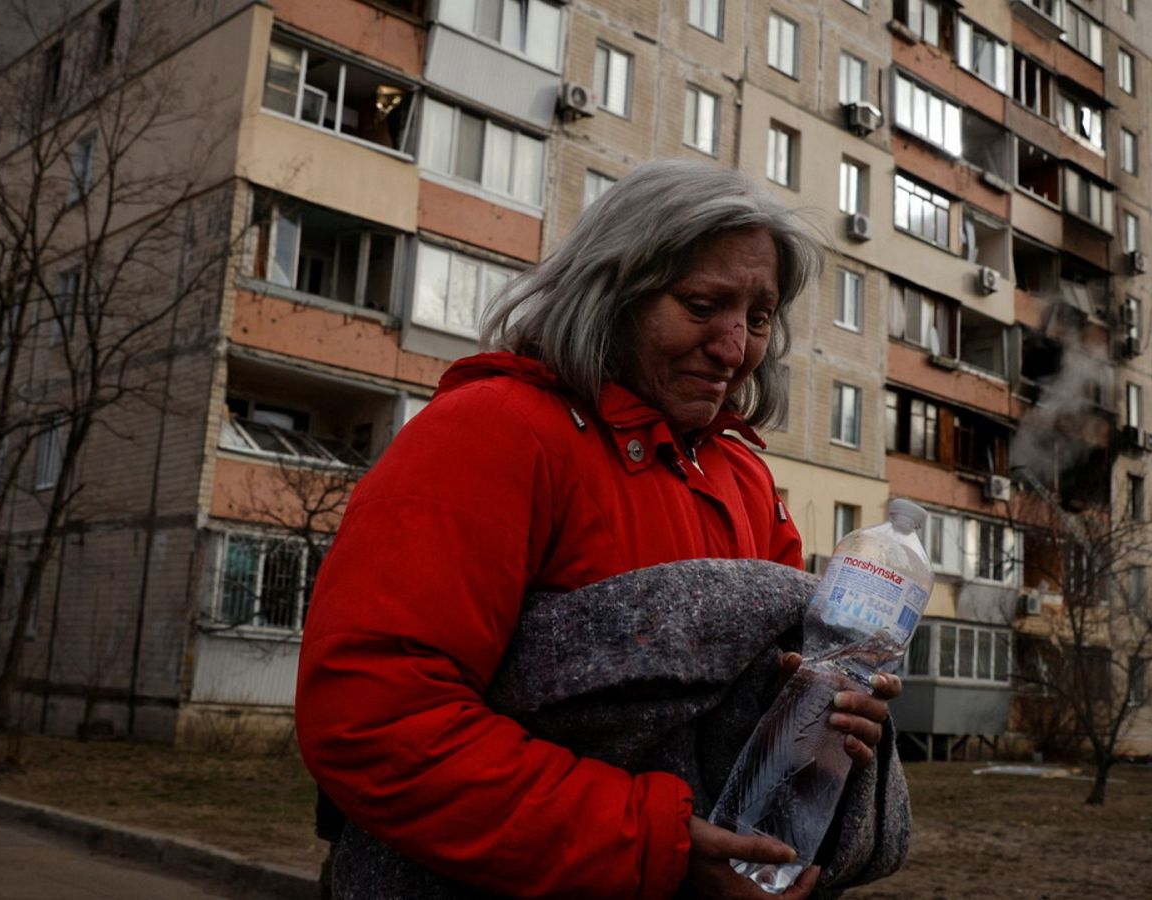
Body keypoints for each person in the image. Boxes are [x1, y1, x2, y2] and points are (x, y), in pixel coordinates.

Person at [295, 159, 903, 899]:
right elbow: (376, 719)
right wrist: (652, 844)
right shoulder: (493, 434)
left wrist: (832, 726)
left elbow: (757, 718)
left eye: (759, 317)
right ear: (612, 293)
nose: (735, 346)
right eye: (703, 304)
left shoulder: (745, 481)